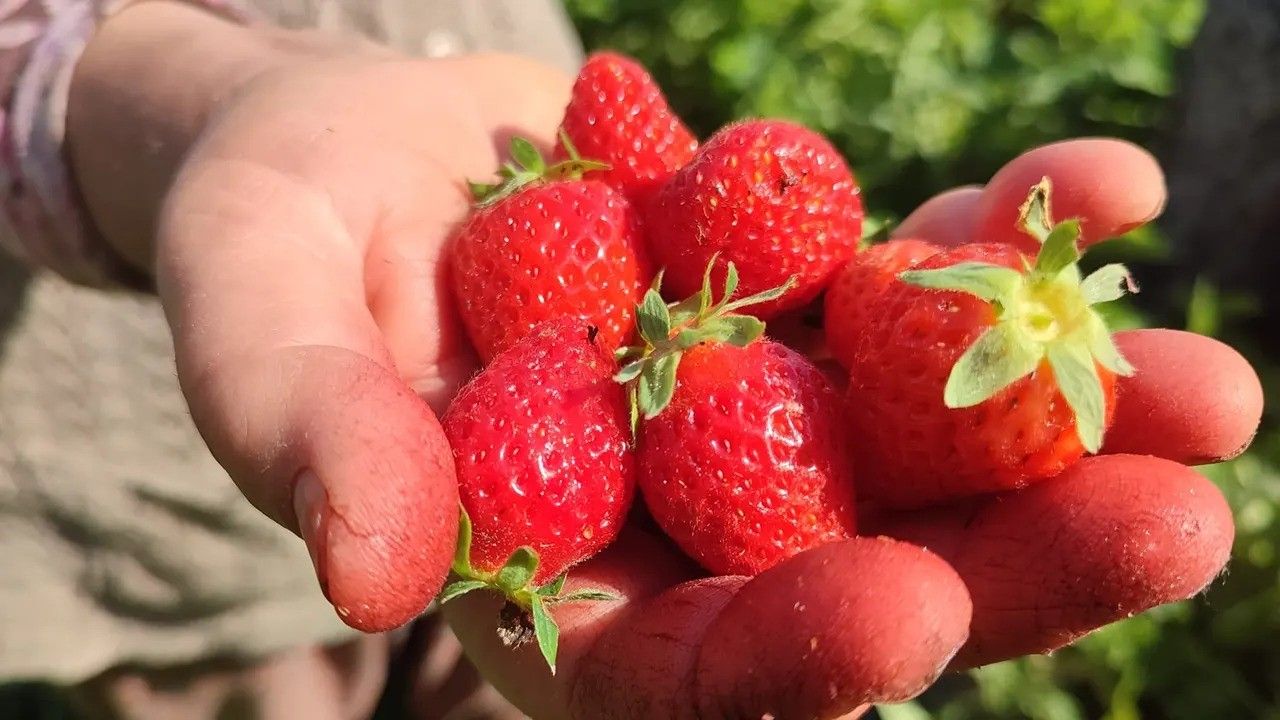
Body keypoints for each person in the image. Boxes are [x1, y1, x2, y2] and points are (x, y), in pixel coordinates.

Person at [0, 1, 1234, 719]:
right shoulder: (573, 292)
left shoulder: (655, 288)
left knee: (520, 650)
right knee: (263, 667)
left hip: (461, 69)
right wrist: (150, 93)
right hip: (139, 480)